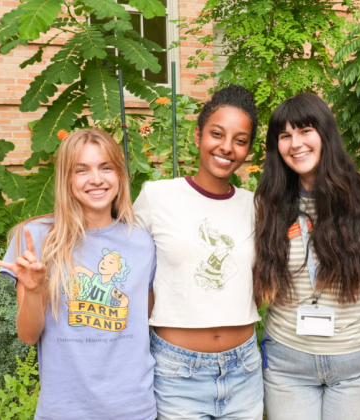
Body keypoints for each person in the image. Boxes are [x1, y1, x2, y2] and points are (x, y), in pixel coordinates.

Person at [0, 129, 157, 419]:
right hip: (65, 409)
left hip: (132, 407)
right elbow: (28, 335)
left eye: (105, 167)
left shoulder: (142, 242)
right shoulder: (35, 238)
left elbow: (143, 326)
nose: (96, 179)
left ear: (120, 175)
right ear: (66, 180)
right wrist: (34, 290)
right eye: (81, 170)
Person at [254, 93, 360, 420]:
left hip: (357, 362)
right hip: (288, 365)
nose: (295, 143)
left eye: (305, 131)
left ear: (325, 134)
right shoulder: (268, 203)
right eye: (284, 136)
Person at [133, 84, 263, 420]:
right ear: (197, 136)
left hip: (244, 370)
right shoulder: (156, 197)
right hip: (177, 373)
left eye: (240, 139)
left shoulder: (257, 206)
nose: (226, 147)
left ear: (249, 148)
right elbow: (127, 268)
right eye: (217, 134)